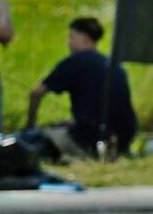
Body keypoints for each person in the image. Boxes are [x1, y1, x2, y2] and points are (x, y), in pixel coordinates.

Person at [27, 16, 138, 161]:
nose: (69, 42)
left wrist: (30, 124)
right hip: (122, 139)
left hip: (88, 140)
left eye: (72, 37)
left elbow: (36, 93)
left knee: (36, 138)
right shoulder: (115, 65)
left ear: (84, 39)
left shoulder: (74, 61)